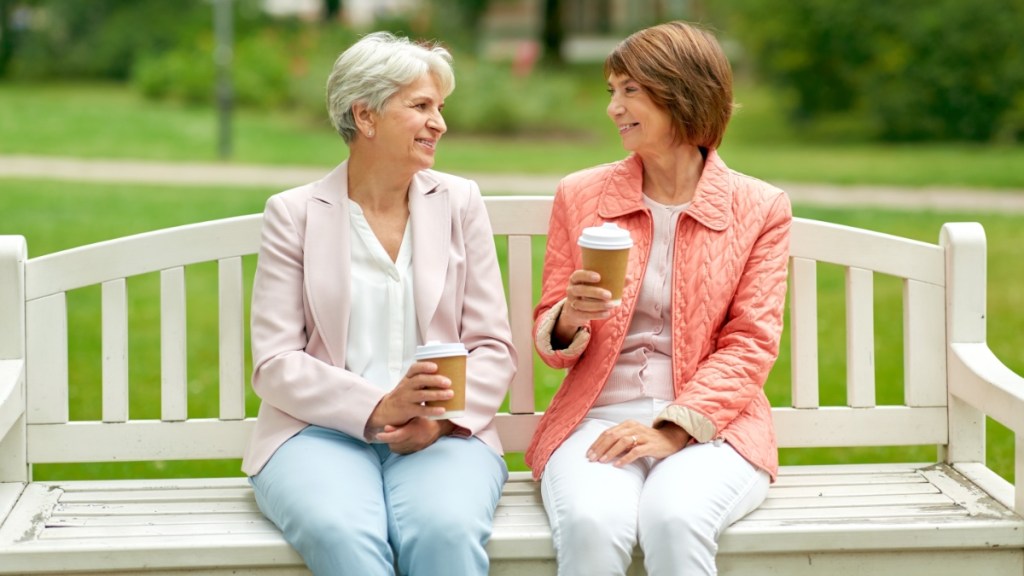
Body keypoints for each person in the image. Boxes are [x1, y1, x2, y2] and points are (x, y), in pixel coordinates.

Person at [242, 32, 517, 576]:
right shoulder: (294, 213)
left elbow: (492, 345)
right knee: (341, 532)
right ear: (364, 116)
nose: (439, 122)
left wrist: (438, 421)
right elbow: (275, 363)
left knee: (446, 531)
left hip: (444, 431)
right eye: (420, 106)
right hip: (316, 432)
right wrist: (378, 407)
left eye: (440, 107)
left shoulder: (460, 202)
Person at [525, 21, 792, 576]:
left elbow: (751, 343)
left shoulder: (760, 208)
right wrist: (570, 315)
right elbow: (551, 343)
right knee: (590, 525)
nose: (613, 107)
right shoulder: (581, 194)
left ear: (681, 93)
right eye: (611, 91)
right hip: (596, 419)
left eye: (630, 91)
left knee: (675, 519)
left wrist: (672, 430)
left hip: (713, 427)